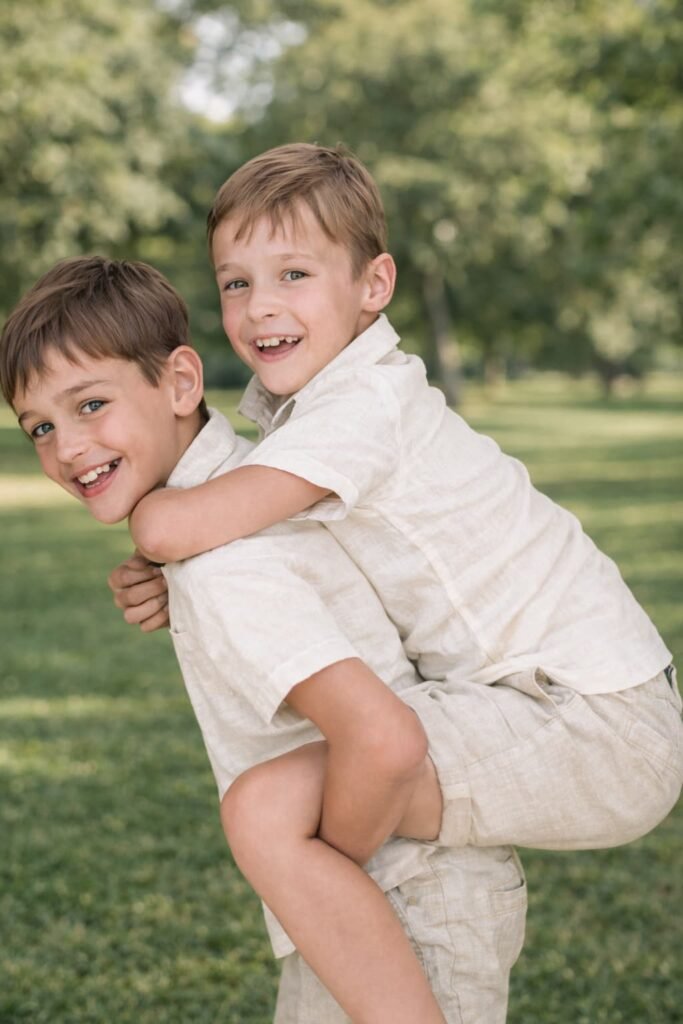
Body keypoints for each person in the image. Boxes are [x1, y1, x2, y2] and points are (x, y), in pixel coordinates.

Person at [1, 255, 527, 1024]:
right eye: (41, 428)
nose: (68, 448)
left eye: (90, 405)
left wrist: (308, 863)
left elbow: (382, 736)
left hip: (402, 896)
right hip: (373, 891)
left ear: (181, 382)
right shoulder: (241, 501)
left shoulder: (225, 559)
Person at [123, 141, 683, 858]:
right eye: (236, 283)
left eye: (293, 274)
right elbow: (288, 551)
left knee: (286, 806)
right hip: (560, 704)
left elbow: (175, 527)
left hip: (595, 723)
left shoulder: (362, 408)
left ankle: (341, 901)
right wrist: (176, 579)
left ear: (374, 284)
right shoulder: (332, 406)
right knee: (298, 791)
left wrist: (150, 523)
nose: (259, 306)